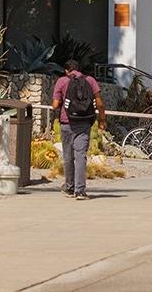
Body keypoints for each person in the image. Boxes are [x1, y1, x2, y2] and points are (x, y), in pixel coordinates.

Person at [51, 59, 106, 200]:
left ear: (66, 70)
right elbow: (99, 103)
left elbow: (55, 105)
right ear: (79, 69)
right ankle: (80, 191)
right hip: (84, 123)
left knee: (68, 156)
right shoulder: (91, 81)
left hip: (66, 122)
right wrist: (102, 120)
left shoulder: (62, 81)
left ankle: (69, 187)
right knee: (80, 156)